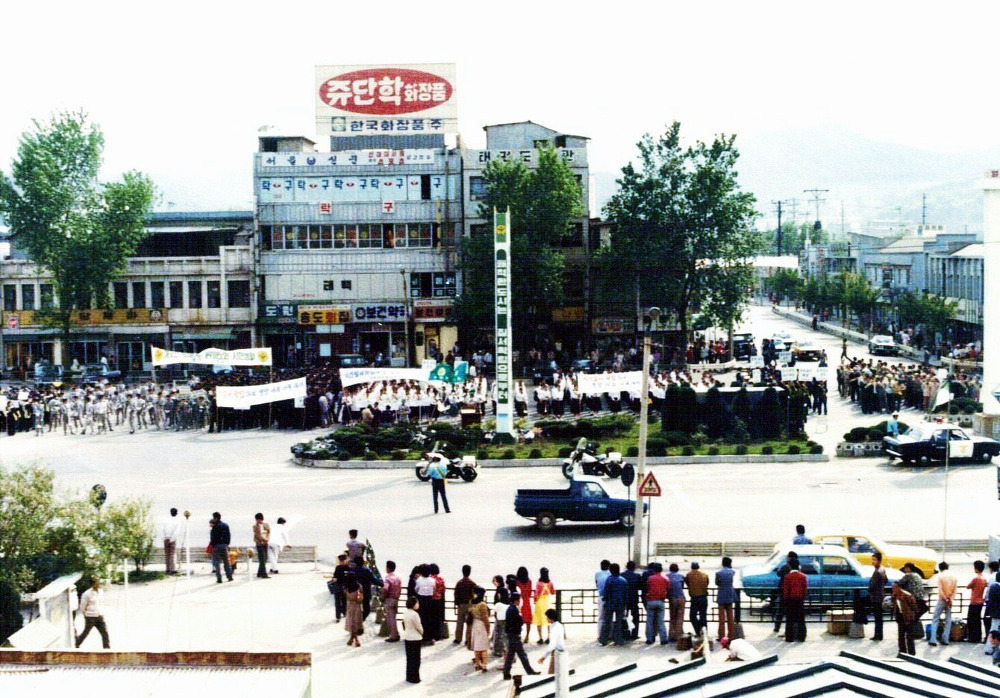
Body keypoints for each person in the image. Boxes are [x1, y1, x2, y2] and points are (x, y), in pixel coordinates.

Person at [502, 591, 539, 680]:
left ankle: (506, 672)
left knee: (511, 655)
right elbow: (520, 621)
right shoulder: (514, 610)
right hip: (515, 634)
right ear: (516, 600)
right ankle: (530, 671)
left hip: (511, 634)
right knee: (521, 654)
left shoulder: (510, 609)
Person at [75, 577, 110, 648]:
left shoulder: (100, 592)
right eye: (96, 583)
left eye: (98, 583)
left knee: (105, 632)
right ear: (92, 584)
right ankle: (77, 644)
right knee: (86, 632)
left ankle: (107, 648)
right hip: (90, 617)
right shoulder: (86, 594)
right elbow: (82, 606)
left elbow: (101, 602)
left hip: (99, 616)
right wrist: (85, 615)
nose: (98, 585)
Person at [928, 561, 957, 645]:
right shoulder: (954, 576)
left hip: (942, 599)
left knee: (935, 618)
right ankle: (945, 639)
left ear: (940, 568)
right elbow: (955, 590)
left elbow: (940, 590)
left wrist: (945, 598)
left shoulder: (940, 576)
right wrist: (950, 599)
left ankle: (933, 639)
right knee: (948, 619)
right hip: (950, 600)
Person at [599, 563, 628, 646]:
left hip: (610, 603)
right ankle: (619, 640)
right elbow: (626, 594)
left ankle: (604, 640)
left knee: (607, 622)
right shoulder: (623, 580)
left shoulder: (609, 580)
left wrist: (605, 600)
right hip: (620, 604)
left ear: (611, 571)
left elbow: (606, 592)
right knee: (619, 622)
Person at [782, 558, 808, 642]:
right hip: (800, 600)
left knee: (790, 619)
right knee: (801, 618)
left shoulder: (787, 577)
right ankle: (802, 637)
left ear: (790, 567)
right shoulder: (803, 576)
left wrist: (785, 600)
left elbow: (786, 590)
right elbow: (805, 590)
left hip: (790, 600)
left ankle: (789, 637)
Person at [537, 609, 567, 678]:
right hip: (561, 651)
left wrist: (544, 657)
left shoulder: (554, 629)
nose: (546, 619)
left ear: (551, 618)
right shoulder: (559, 625)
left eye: (547, 617)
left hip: (556, 653)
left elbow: (552, 645)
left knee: (551, 675)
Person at [644, 562, 668, 645]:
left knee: (649, 621)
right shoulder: (665, 579)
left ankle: (649, 639)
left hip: (651, 600)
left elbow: (647, 587)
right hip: (661, 601)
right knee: (661, 621)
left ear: (654, 570)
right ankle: (663, 639)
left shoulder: (650, 578)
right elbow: (668, 588)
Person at [892, 580, 918, 655]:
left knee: (909, 637)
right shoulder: (894, 595)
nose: (893, 589)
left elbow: (914, 606)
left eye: (895, 587)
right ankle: (902, 652)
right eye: (893, 587)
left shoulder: (907, 595)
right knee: (901, 636)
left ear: (899, 587)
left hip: (908, 617)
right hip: (900, 616)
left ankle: (911, 653)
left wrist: (912, 616)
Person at [453, 564, 477, 647]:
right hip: (470, 604)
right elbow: (475, 594)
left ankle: (458, 638)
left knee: (460, 622)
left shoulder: (459, 583)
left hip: (461, 604)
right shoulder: (472, 583)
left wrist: (457, 603)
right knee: (469, 622)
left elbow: (456, 594)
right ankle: (468, 639)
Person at [469, 587, 491, 672]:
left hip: (475, 623)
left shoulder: (471, 602)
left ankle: (477, 664)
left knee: (477, 645)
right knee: (483, 646)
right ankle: (484, 664)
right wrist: (488, 628)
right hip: (481, 625)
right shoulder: (482, 604)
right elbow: (485, 618)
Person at [715, 557, 737, 641]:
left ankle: (721, 636)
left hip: (721, 595)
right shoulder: (732, 572)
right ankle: (731, 635)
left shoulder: (718, 573)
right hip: (730, 595)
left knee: (721, 618)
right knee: (730, 617)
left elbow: (717, 583)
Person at [403, 597, 423, 683]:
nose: (418, 604)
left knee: (409, 658)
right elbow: (418, 626)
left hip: (408, 637)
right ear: (413, 604)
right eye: (417, 603)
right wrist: (422, 632)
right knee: (416, 659)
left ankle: (409, 676)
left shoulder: (406, 613)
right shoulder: (415, 614)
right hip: (415, 638)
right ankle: (415, 677)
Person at [686, 561, 709, 637]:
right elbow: (707, 583)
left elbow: (687, 583)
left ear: (691, 567)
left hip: (694, 598)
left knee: (692, 616)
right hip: (704, 597)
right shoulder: (704, 574)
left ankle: (698, 631)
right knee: (703, 616)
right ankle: (704, 633)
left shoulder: (689, 575)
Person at [868, 551, 888, 641]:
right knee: (879, 617)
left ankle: (878, 635)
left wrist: (870, 590)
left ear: (879, 561)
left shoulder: (877, 572)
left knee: (877, 617)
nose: (873, 562)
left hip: (876, 597)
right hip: (880, 595)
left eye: (875, 560)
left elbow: (872, 586)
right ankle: (879, 634)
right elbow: (886, 580)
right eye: (872, 560)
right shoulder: (882, 569)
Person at [967, 560, 988, 644]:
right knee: (978, 619)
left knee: (971, 620)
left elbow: (968, 586)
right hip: (980, 601)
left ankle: (972, 637)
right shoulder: (984, 579)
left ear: (976, 568)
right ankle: (978, 636)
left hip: (974, 601)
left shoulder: (975, 579)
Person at [532, 567, 555, 644]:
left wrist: (534, 601)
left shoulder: (538, 584)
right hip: (547, 602)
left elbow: (536, 594)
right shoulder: (550, 583)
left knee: (539, 621)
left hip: (539, 603)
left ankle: (540, 638)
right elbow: (553, 592)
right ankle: (548, 637)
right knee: (549, 620)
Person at [210, 512, 233, 583]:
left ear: (216, 518)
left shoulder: (215, 527)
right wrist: (227, 543)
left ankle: (219, 578)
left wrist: (213, 545)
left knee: (217, 563)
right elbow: (228, 535)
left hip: (217, 546)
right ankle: (229, 576)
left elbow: (213, 538)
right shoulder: (225, 525)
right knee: (226, 562)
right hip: (224, 545)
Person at [622, 561, 642, 641]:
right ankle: (634, 634)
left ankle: (625, 633)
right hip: (634, 598)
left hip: (624, 599)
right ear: (634, 567)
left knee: (624, 617)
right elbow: (640, 586)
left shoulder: (622, 575)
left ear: (626, 566)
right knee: (635, 617)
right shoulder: (637, 575)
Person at [383, 560, 402, 642]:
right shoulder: (398, 578)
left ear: (388, 568)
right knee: (394, 617)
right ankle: (396, 634)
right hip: (396, 599)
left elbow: (385, 589)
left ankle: (393, 636)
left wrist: (383, 596)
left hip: (389, 599)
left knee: (390, 619)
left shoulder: (387, 578)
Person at [667, 562, 686, 642]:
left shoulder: (667, 576)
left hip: (672, 598)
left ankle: (671, 635)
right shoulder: (681, 576)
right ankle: (678, 636)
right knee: (680, 618)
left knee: (672, 617)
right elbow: (682, 586)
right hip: (681, 598)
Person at [344, 571, 363, 647]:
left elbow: (345, 596)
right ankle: (355, 639)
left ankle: (353, 638)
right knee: (356, 622)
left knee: (351, 622)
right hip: (357, 605)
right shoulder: (359, 586)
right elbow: (362, 594)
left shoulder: (346, 587)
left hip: (350, 605)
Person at [515, 566, 533, 642]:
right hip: (527, 602)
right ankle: (527, 636)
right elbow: (530, 592)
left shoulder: (517, 582)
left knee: (518, 619)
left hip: (519, 601)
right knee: (528, 620)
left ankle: (518, 635)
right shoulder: (529, 581)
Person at [594, 559, 611, 641]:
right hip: (610, 597)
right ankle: (609, 635)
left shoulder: (597, 574)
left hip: (601, 596)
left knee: (600, 617)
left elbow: (597, 584)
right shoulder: (611, 574)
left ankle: (600, 635)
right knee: (610, 617)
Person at [332, 554, 350, 622]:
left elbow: (349, 578)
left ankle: (344, 612)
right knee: (337, 603)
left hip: (345, 588)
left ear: (346, 561)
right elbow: (334, 575)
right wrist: (334, 578)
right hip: (337, 587)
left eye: (343, 561)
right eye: (340, 561)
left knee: (344, 601)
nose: (341, 562)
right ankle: (338, 616)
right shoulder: (338, 567)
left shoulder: (348, 568)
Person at [163, 507, 180, 576]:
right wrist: (172, 539)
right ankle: (172, 569)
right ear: (176, 513)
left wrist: (165, 538)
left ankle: (167, 569)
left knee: (167, 554)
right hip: (172, 538)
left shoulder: (166, 520)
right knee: (172, 554)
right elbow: (177, 531)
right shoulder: (177, 521)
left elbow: (163, 529)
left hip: (166, 538)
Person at [253, 513, 270, 579]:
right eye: (257, 520)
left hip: (265, 543)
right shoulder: (255, 526)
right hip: (259, 543)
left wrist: (267, 539)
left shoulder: (266, 525)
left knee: (265, 558)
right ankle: (264, 574)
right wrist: (263, 539)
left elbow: (268, 532)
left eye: (260, 520)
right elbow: (257, 535)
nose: (259, 521)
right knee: (262, 558)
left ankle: (259, 572)